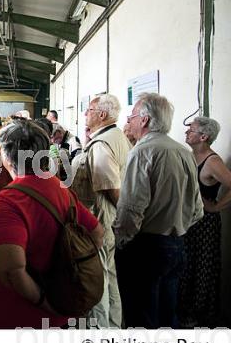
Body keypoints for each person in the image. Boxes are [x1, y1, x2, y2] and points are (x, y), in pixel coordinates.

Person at [0, 119, 103, 328]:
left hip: (17, 318)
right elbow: (97, 234)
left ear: (7, 157)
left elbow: (11, 270)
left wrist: (44, 302)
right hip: (61, 318)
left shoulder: (11, 199)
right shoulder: (60, 188)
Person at [113, 93, 204, 328]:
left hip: (145, 248)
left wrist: (121, 241)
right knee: (167, 314)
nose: (129, 121)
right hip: (176, 245)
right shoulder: (184, 152)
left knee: (141, 316)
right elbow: (197, 209)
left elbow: (131, 209)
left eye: (132, 116)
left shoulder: (142, 152)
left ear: (144, 120)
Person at [71, 94, 130, 328]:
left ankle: (100, 334)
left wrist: (123, 219)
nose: (86, 113)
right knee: (109, 277)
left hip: (100, 222)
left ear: (102, 115)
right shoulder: (116, 137)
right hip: (109, 222)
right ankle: (114, 327)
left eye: (90, 109)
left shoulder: (102, 145)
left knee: (96, 282)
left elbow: (111, 189)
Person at [179, 116, 231, 327]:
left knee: (202, 269)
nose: (186, 133)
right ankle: (185, 314)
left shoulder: (213, 162)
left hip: (204, 226)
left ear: (203, 136)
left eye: (190, 130)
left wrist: (216, 207)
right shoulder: (190, 156)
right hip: (188, 222)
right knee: (186, 267)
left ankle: (199, 318)